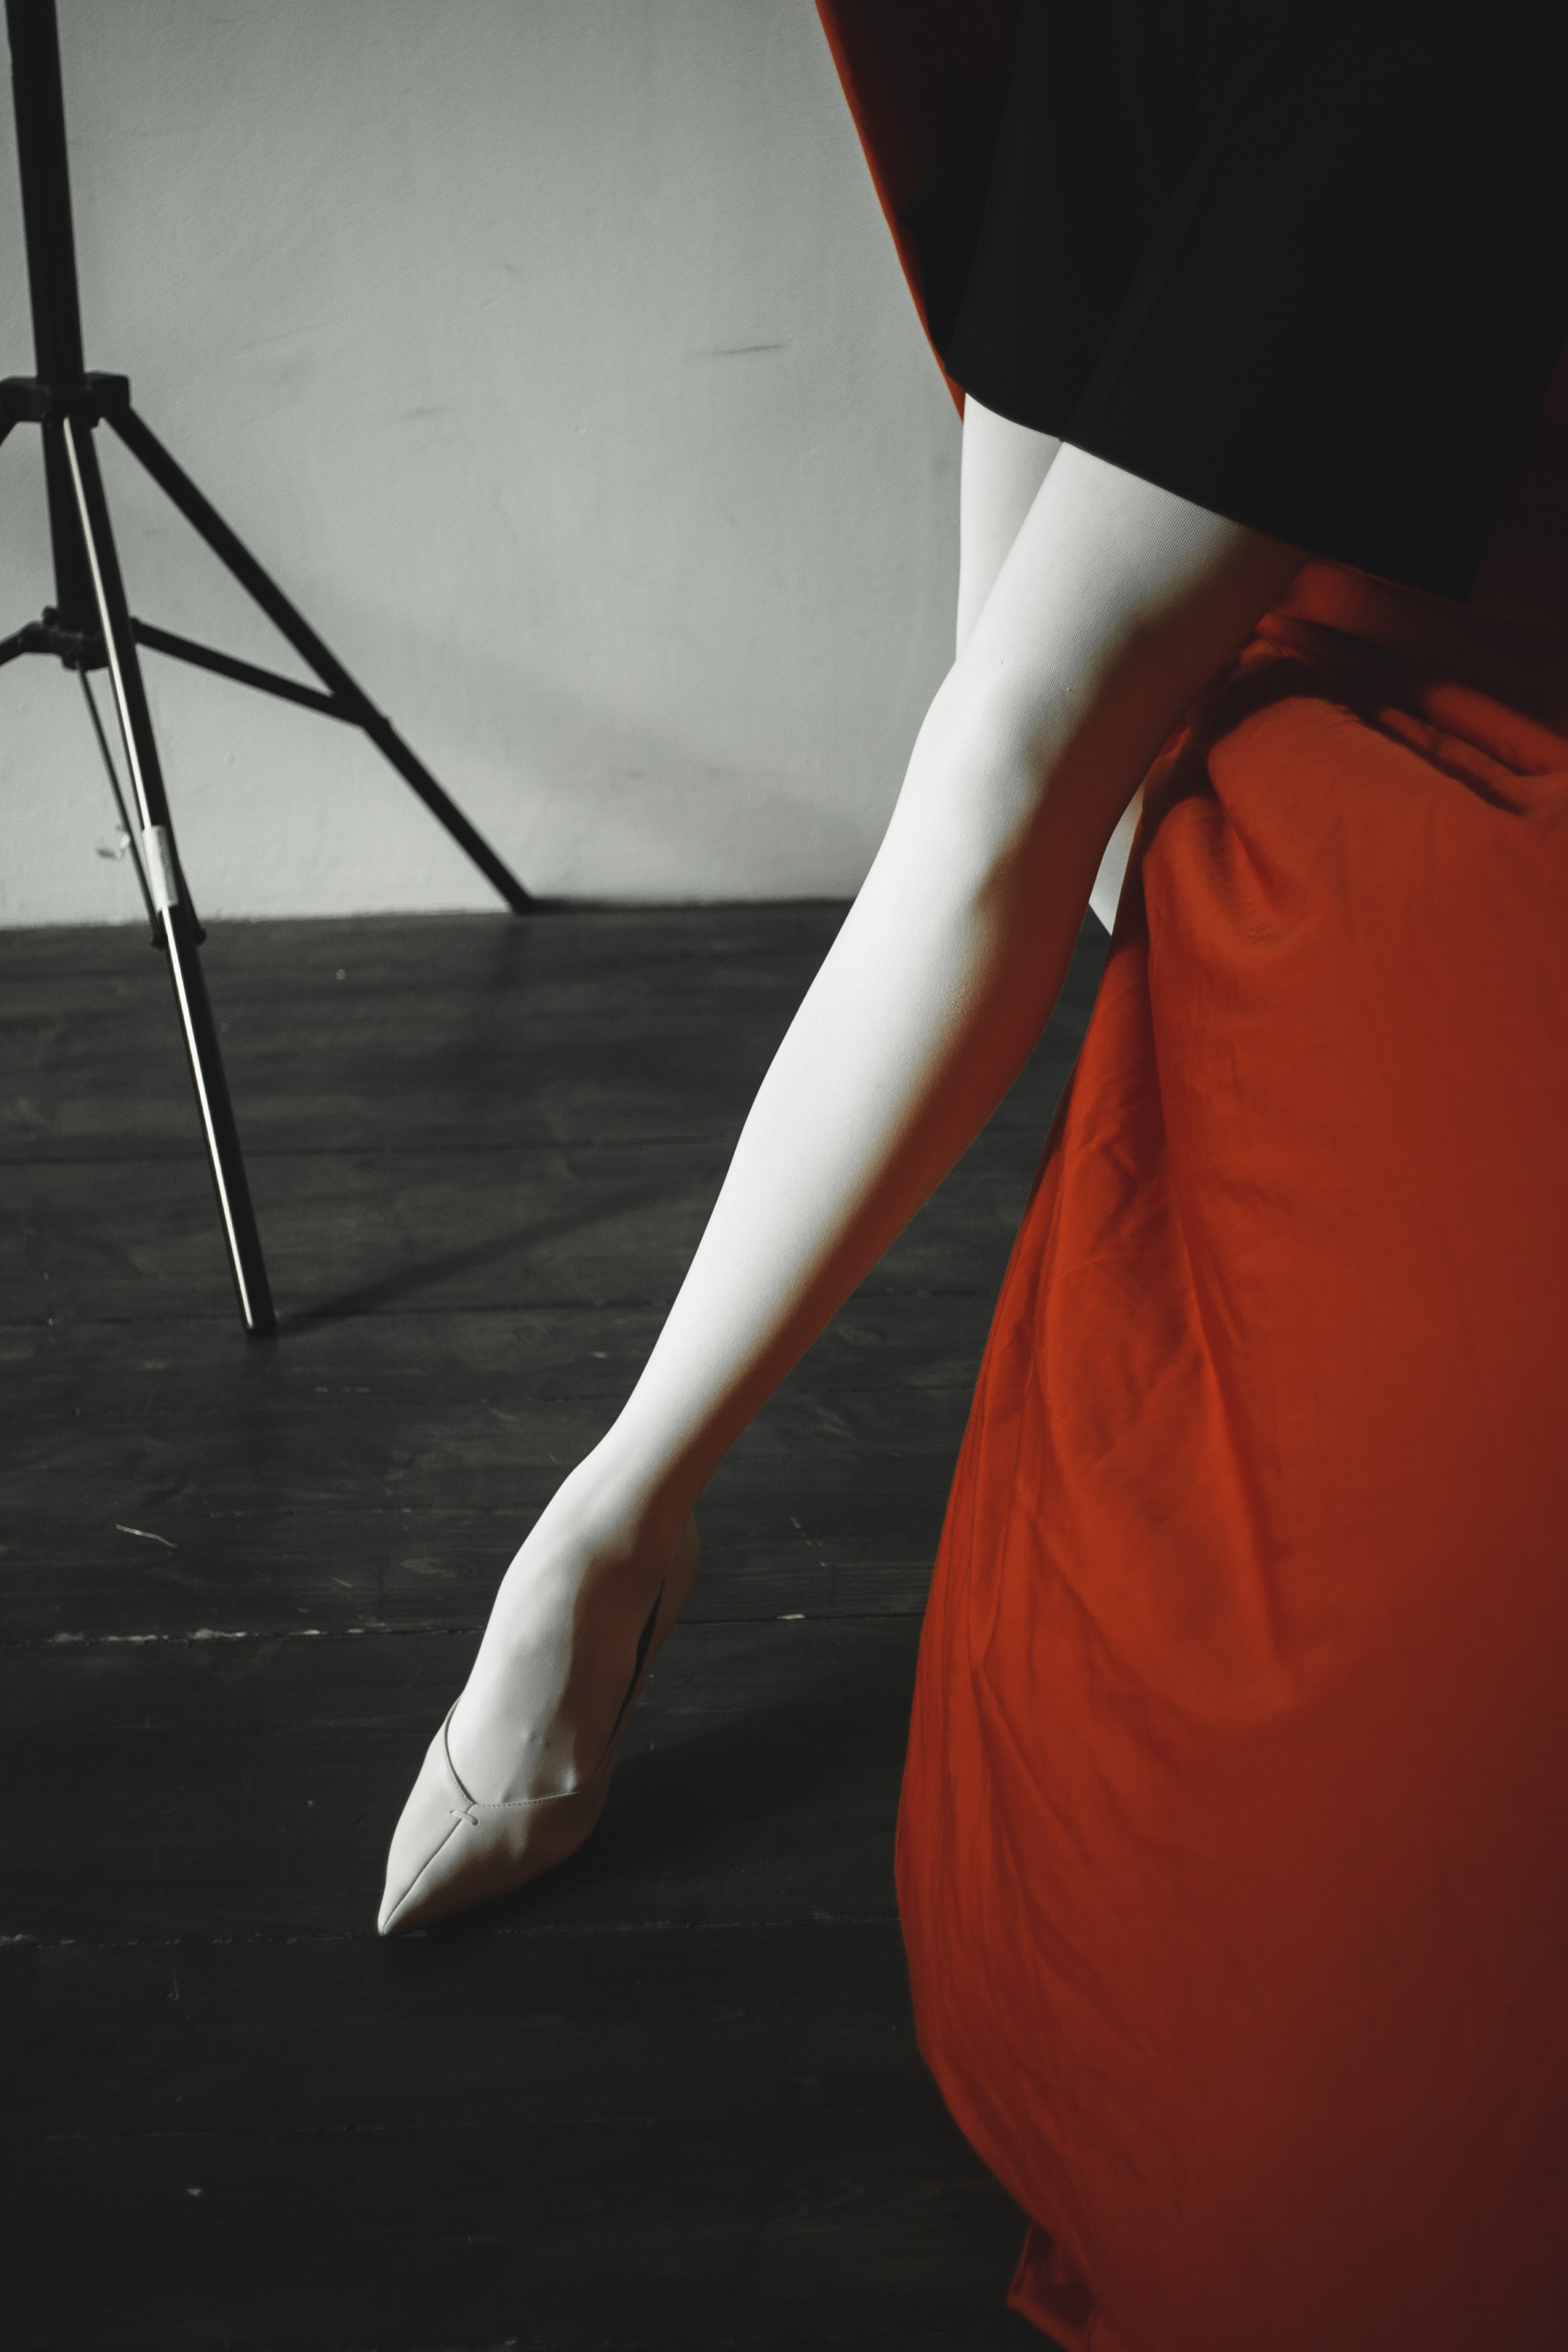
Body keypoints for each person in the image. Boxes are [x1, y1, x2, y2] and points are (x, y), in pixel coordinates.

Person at [381, 6, 1568, 2345]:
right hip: (1313, 613)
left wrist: (623, 1499)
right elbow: (1010, 727)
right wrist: (625, 1494)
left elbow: (1026, 754)